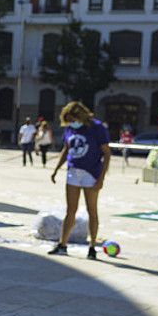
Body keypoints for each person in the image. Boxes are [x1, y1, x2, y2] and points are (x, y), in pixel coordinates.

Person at [47, 101, 111, 259]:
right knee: (70, 210)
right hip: (73, 171)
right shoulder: (70, 128)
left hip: (91, 173)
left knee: (92, 210)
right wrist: (56, 170)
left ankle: (92, 247)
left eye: (72, 119)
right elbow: (66, 149)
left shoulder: (97, 127)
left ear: (79, 115)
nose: (70, 123)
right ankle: (62, 244)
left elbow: (107, 153)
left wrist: (101, 178)